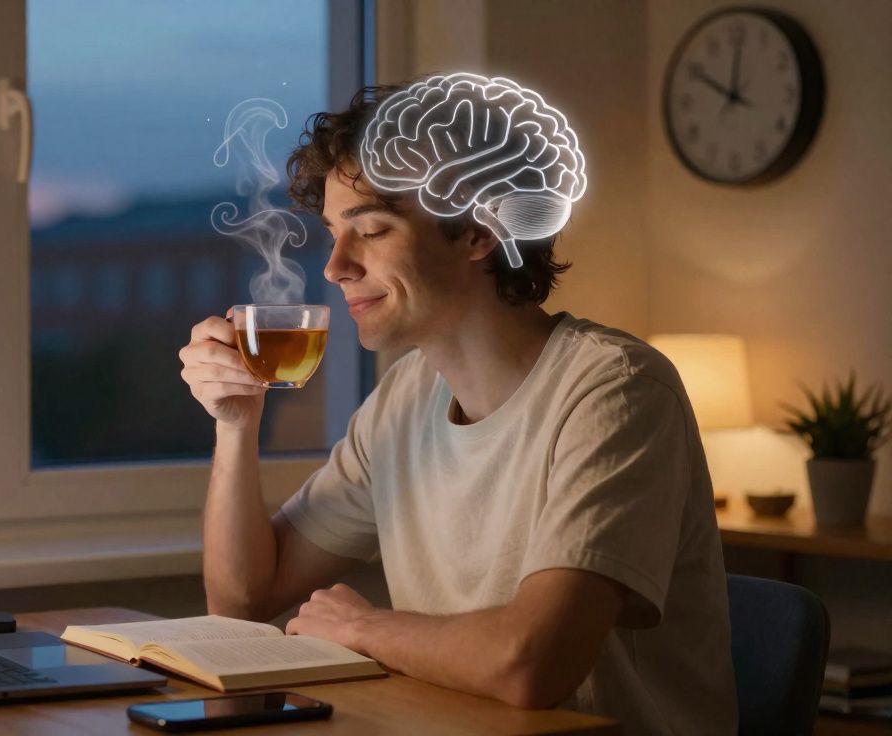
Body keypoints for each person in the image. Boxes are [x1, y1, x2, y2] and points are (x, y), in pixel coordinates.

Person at [178, 76, 736, 734]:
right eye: (332, 233)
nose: (335, 267)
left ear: (477, 234)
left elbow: (531, 665)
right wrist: (236, 423)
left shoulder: (617, 391)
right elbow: (243, 598)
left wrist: (363, 628)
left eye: (372, 230)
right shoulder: (404, 402)